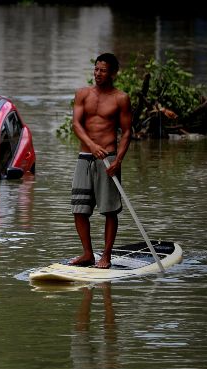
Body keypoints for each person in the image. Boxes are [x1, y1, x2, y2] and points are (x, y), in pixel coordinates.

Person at [68, 53, 132, 269]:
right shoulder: (82, 94)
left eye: (103, 70)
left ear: (113, 73)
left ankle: (106, 256)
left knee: (109, 210)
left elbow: (126, 132)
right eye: (96, 69)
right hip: (85, 157)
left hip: (109, 159)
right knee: (79, 209)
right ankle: (87, 254)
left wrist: (119, 160)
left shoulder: (120, 98)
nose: (98, 74)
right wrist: (92, 145)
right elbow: (76, 124)